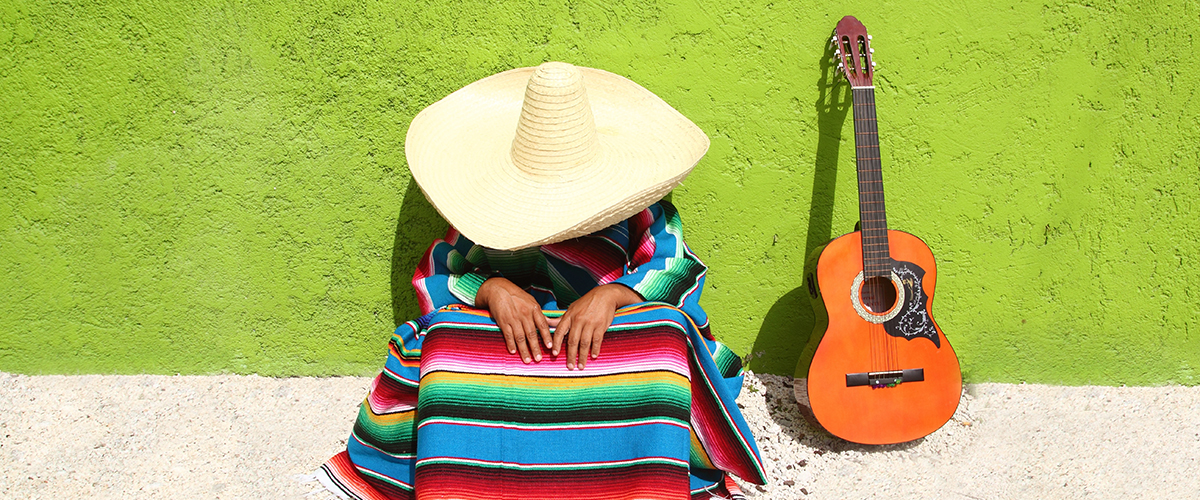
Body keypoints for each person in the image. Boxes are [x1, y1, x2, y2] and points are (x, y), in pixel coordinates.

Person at [316, 62, 765, 500]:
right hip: (512, 348)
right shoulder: (483, 207)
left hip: (605, 349)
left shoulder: (639, 210)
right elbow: (438, 275)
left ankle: (625, 476)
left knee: (667, 335)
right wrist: (491, 290)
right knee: (444, 340)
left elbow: (678, 270)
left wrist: (613, 295)